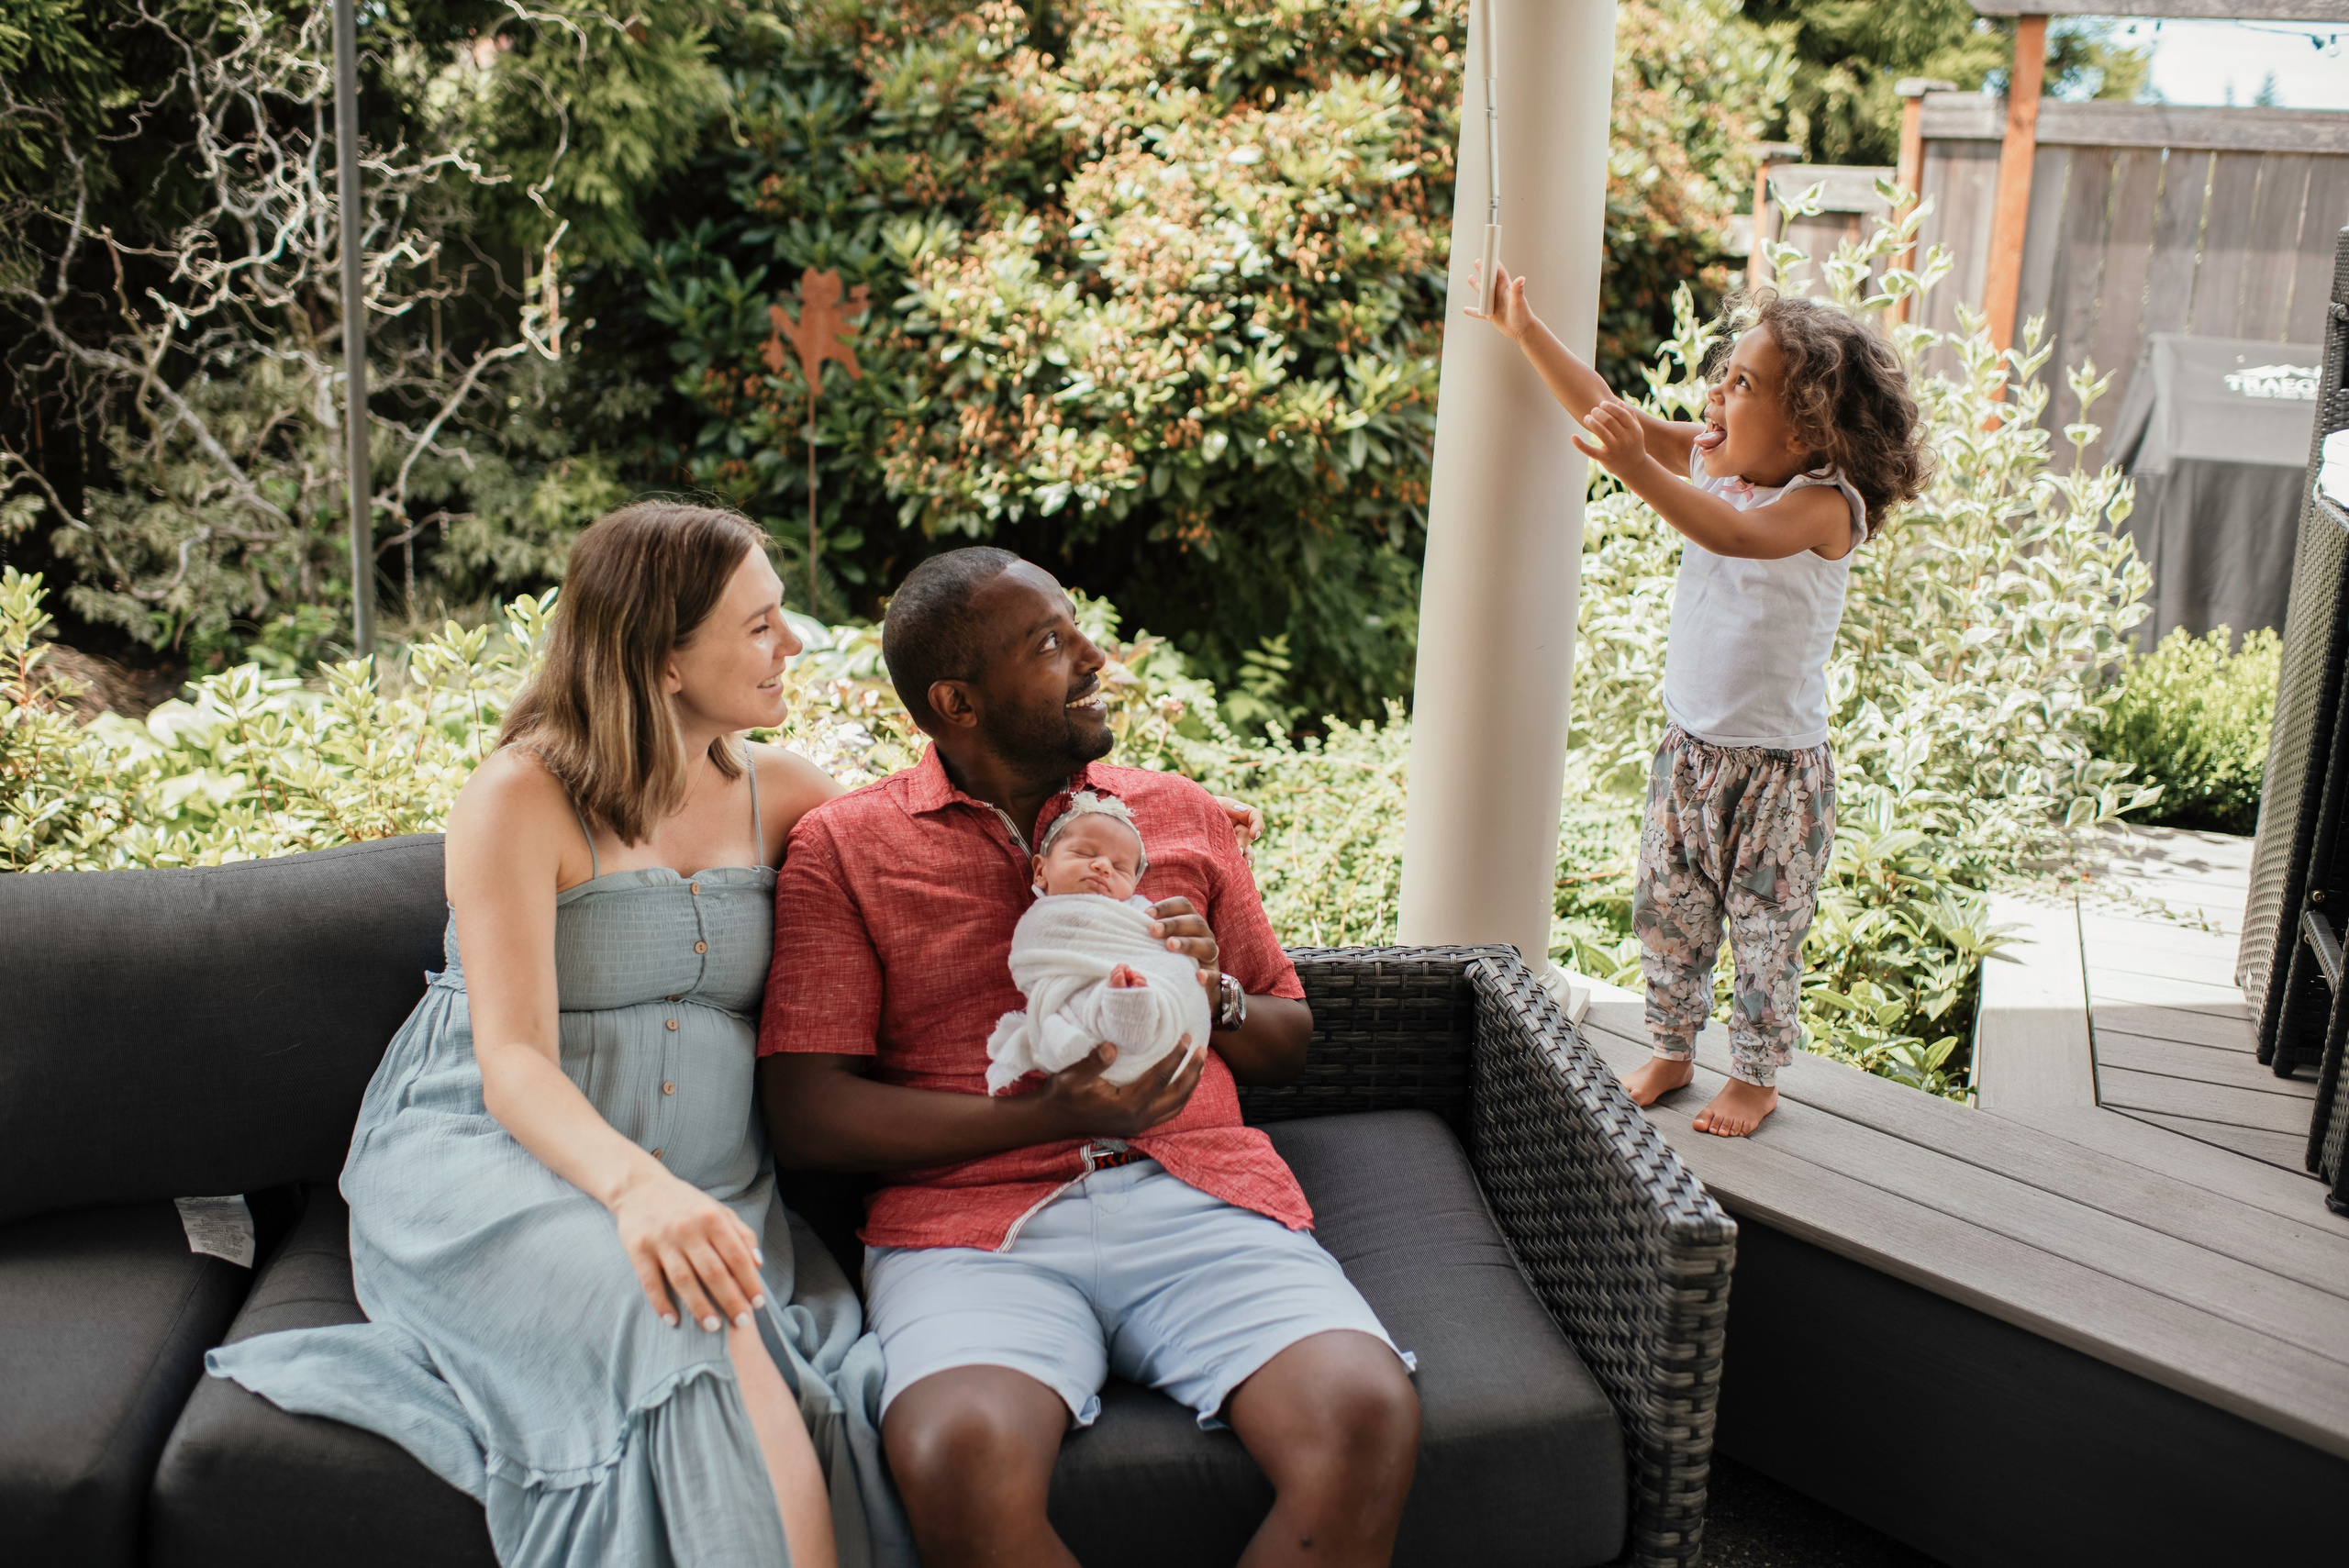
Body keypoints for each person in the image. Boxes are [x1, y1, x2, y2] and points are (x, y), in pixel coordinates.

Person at [207, 502, 910, 1567]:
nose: (792, 644)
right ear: (663, 659)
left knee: (754, 1335)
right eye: (759, 623)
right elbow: (514, 1062)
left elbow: (932, 892)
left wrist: (1124, 832)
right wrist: (637, 1190)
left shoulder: (790, 795)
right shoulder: (520, 798)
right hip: (496, 1164)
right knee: (688, 1315)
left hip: (708, 1179)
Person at [758, 547, 1423, 1568]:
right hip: (970, 1229)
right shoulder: (846, 848)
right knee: (951, 1450)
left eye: (1076, 627)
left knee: (1365, 1410)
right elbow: (811, 1112)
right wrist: (1047, 1114)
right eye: (1050, 643)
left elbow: (1288, 1033)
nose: (1093, 654)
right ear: (958, 700)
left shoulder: (1178, 814)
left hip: (1201, 1196)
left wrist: (1218, 995)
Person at [1468, 265, 1930, 1137]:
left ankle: (1754, 1077)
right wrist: (1525, 330)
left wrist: (1639, 466)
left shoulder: (1825, 505)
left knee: (1763, 935)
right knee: (1668, 912)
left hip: (1776, 776)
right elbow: (1611, 411)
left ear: (1809, 428)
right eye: (1723, 374)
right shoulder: (1717, 459)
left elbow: (1733, 534)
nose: (1716, 394)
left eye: (1743, 384)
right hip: (1690, 753)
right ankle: (1673, 1046)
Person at [984, 789, 1212, 1095]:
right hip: (1088, 1007)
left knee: (1136, 983)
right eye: (1085, 854)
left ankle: (1131, 1004)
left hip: (1160, 1009)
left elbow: (1163, 955)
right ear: (1040, 870)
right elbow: (1034, 962)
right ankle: (1124, 1008)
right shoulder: (1043, 917)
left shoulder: (1137, 911)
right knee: (1074, 1006)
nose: (1103, 866)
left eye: (1120, 868)